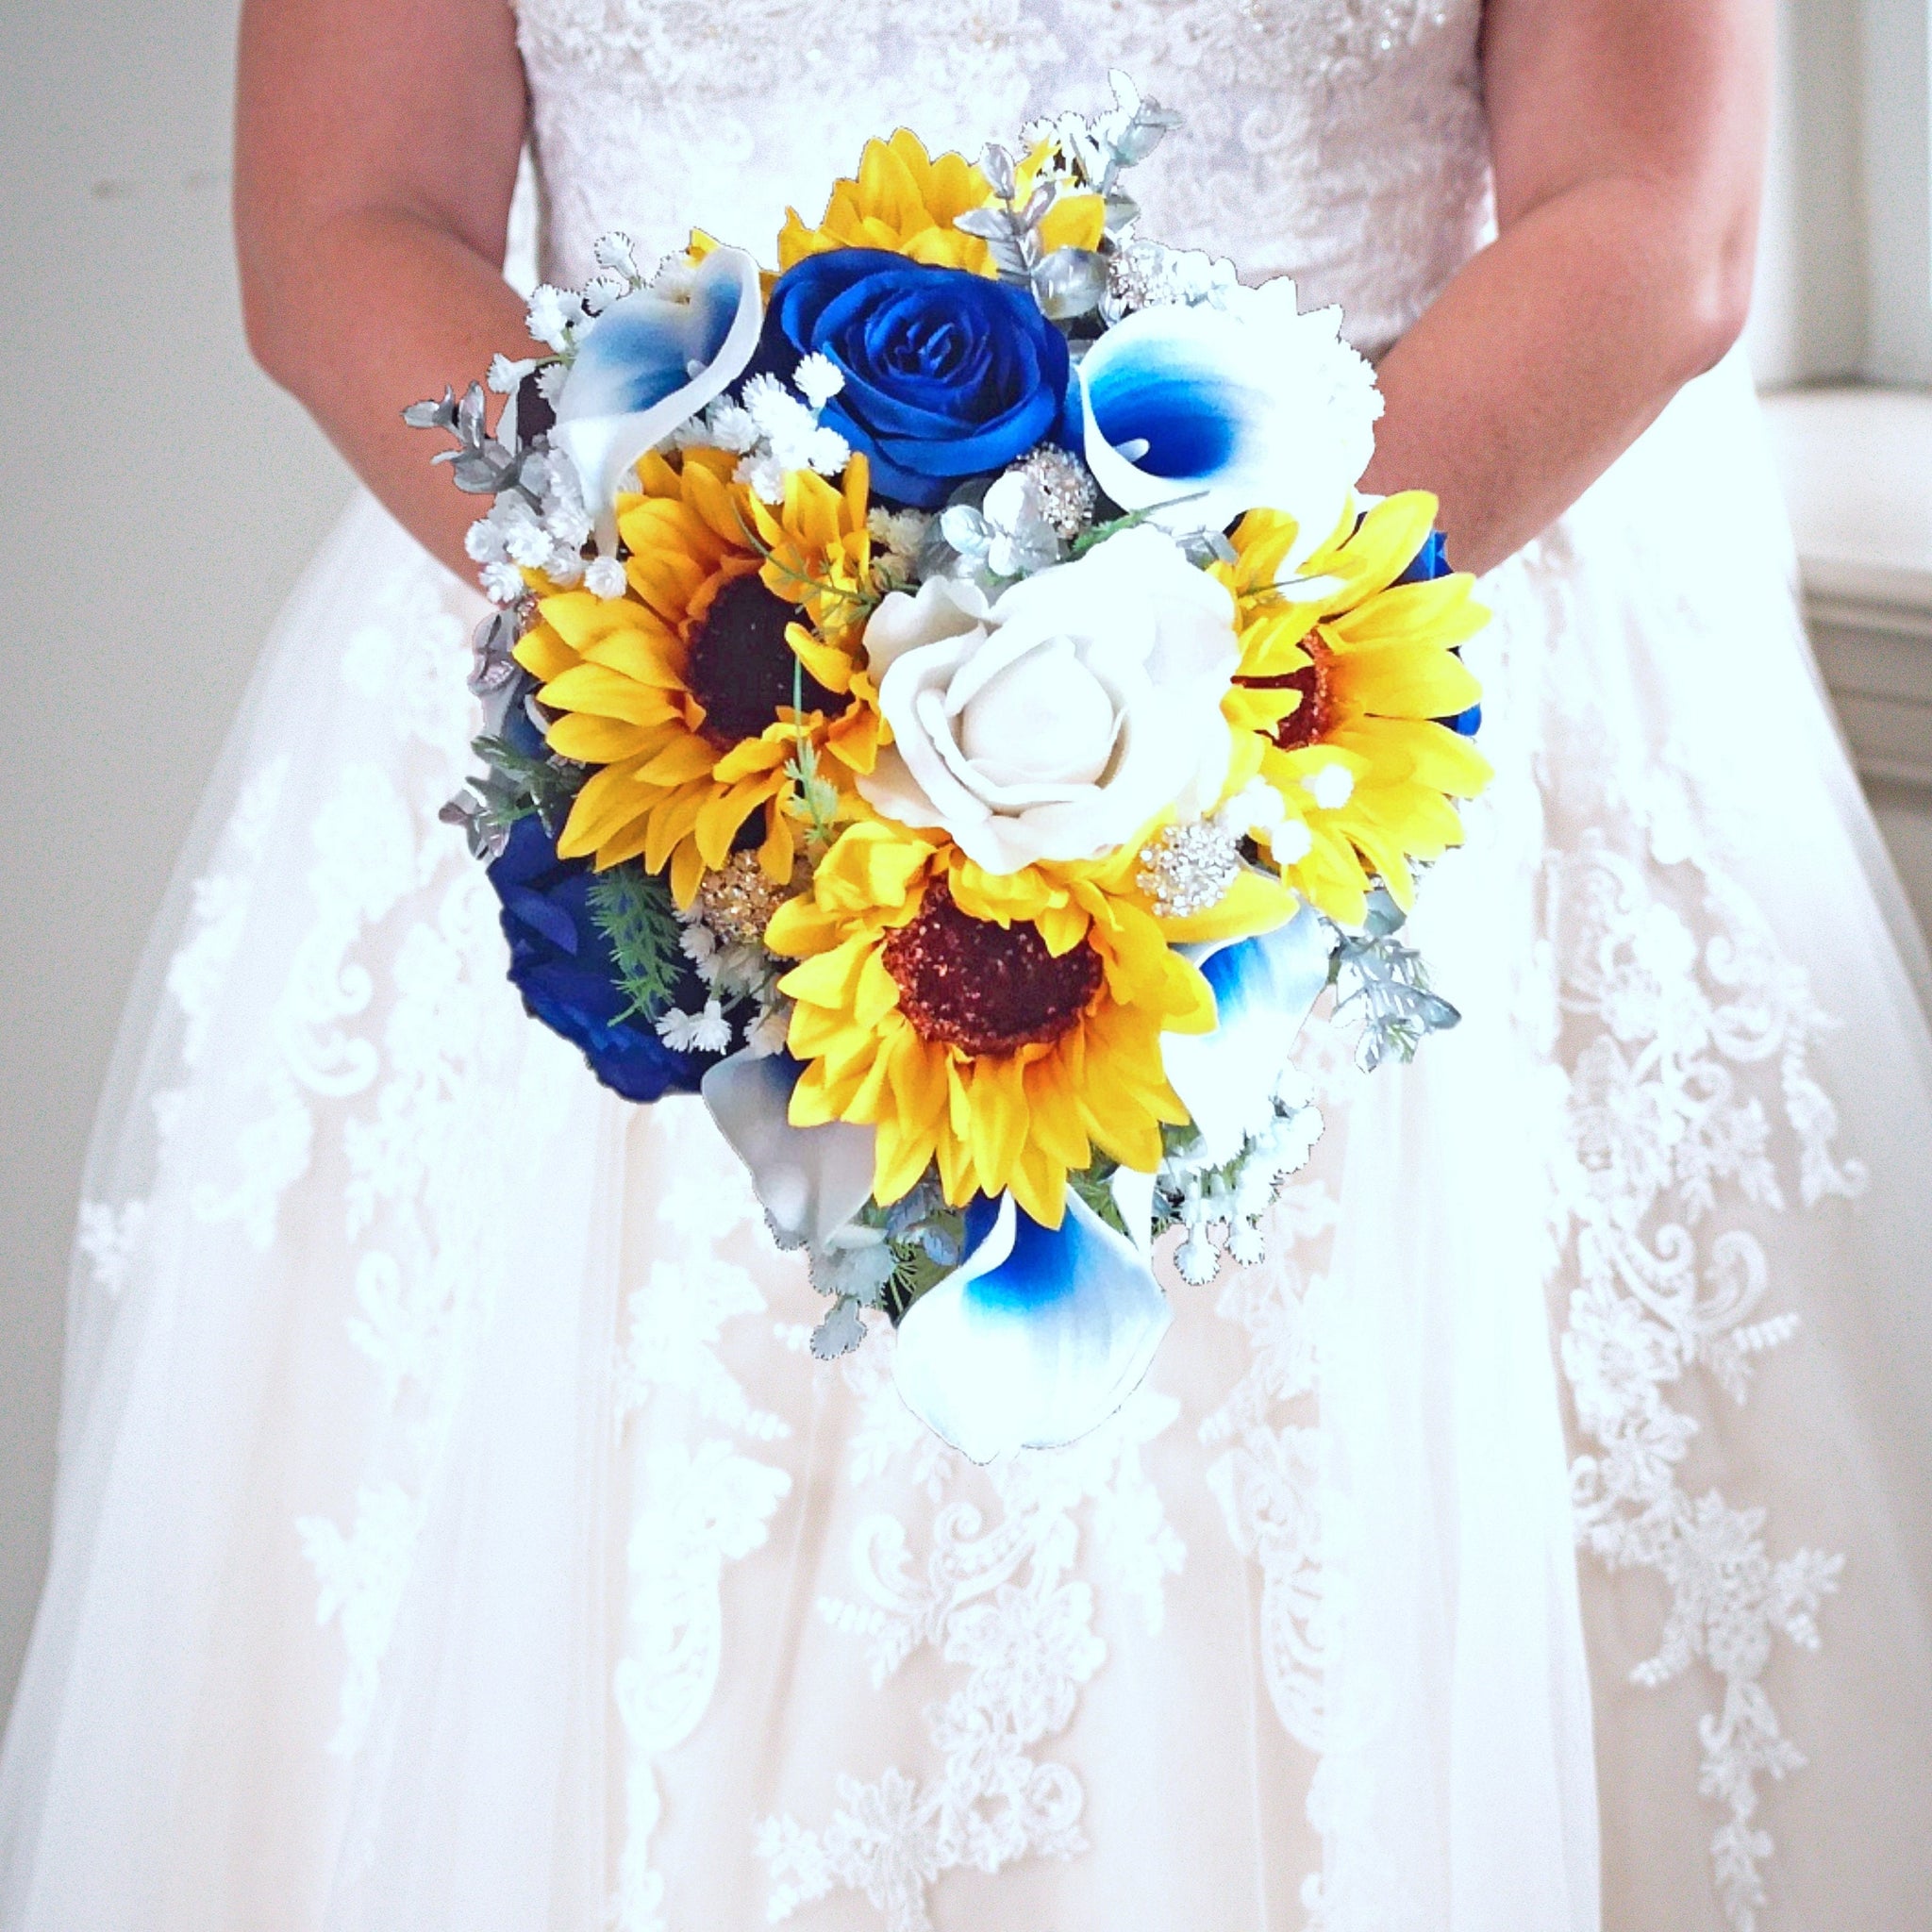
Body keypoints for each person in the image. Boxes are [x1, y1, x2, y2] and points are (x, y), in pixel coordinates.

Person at [4, 0, 1930, 1926]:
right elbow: (348, 213)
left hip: (1356, 678)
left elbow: (1649, 208)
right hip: (663, 712)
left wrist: (1154, 685)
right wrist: (743, 679)